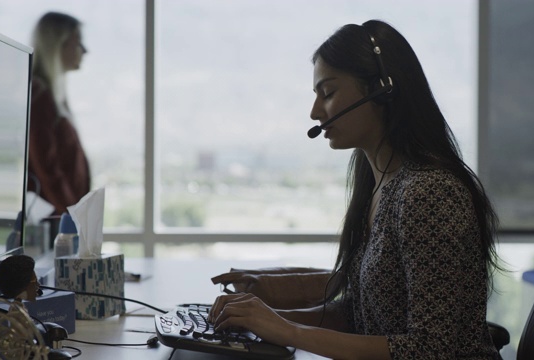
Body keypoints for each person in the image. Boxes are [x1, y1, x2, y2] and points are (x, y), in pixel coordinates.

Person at [209, 20, 502, 359]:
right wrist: (260, 320)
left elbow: (430, 349)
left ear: (382, 89)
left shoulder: (429, 194)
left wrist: (288, 331)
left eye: (328, 93)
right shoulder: (380, 183)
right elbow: (363, 315)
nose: (316, 112)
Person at [28, 12, 90, 215]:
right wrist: (71, 214)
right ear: (58, 45)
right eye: (77, 42)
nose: (84, 50)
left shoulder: (53, 95)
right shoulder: (40, 96)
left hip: (60, 217)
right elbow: (48, 167)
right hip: (55, 220)